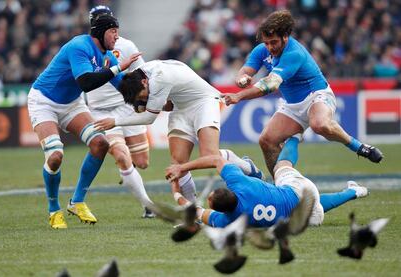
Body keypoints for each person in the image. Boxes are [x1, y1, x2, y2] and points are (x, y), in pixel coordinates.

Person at [223, 10, 383, 177]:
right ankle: (281, 185)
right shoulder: (262, 50)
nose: (270, 47)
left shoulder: (294, 53)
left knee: (319, 124)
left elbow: (270, 84)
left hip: (317, 95)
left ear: (285, 37)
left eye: (274, 42)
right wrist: (242, 78)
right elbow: (245, 70)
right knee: (266, 140)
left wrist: (239, 96)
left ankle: (359, 147)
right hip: (292, 105)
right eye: (267, 43)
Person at [27, 12, 141, 229]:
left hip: (71, 103)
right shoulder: (79, 46)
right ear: (100, 32)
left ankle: (77, 201)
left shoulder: (109, 56)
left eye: (117, 31)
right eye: (113, 31)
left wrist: (147, 98)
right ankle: (53, 209)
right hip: (44, 101)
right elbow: (86, 82)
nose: (117, 36)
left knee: (101, 143)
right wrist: (117, 68)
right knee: (55, 156)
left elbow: (124, 88)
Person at [94, 59, 264, 203]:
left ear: (144, 82)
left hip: (203, 102)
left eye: (143, 95)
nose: (144, 99)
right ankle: (193, 212)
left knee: (209, 157)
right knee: (178, 163)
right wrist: (142, 102)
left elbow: (149, 118)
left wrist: (115, 121)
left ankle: (246, 166)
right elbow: (167, 101)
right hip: (180, 107)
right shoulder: (143, 74)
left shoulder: (159, 79)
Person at [165, 135, 369, 228]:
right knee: (282, 168)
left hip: (303, 220)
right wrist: (182, 168)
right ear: (229, 191)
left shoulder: (227, 221)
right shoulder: (240, 184)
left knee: (310, 203)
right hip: (301, 191)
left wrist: (176, 192)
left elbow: (194, 211)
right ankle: (295, 137)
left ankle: (355, 192)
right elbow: (218, 159)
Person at [85, 5, 154, 218]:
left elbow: (143, 72)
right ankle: (148, 206)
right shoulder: (83, 48)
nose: (114, 32)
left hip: (125, 106)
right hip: (100, 111)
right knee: (122, 156)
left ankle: (129, 173)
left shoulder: (126, 45)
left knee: (142, 162)